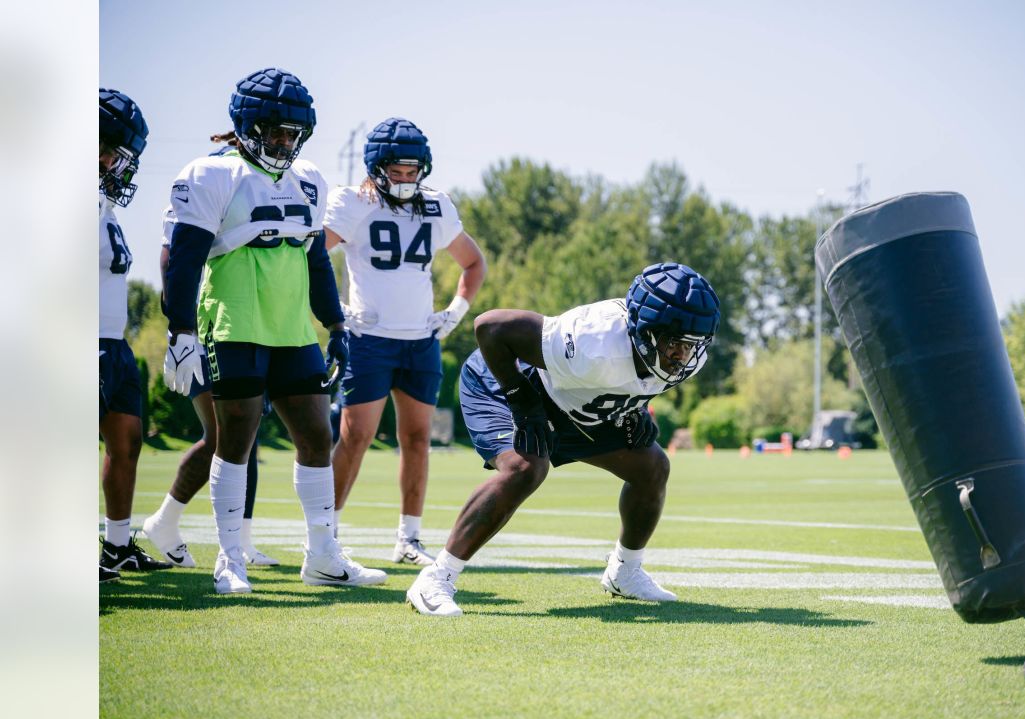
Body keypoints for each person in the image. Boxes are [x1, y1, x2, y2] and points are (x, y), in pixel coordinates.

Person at [162, 67, 385, 594]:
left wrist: (335, 324)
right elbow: (184, 261)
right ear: (247, 126)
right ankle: (231, 558)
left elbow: (315, 261)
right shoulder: (211, 174)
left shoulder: (308, 178)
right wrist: (181, 332)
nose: (285, 142)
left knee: (316, 434)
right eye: (275, 131)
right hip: (235, 320)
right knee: (236, 440)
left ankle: (323, 554)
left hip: (292, 329)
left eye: (293, 133)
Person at [407, 262, 720, 617]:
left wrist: (636, 411)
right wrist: (522, 400)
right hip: (508, 382)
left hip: (576, 402)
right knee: (526, 467)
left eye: (691, 345)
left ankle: (625, 572)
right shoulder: (591, 339)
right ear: (645, 331)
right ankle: (436, 578)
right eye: (674, 343)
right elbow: (490, 327)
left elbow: (636, 379)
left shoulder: (690, 357)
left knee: (652, 467)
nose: (683, 355)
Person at [324, 118, 486, 564]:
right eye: (396, 171)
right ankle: (325, 535)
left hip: (419, 340)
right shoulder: (354, 203)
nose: (405, 179)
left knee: (417, 440)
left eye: (413, 171)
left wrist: (455, 312)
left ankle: (408, 539)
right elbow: (312, 256)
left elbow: (473, 263)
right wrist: (333, 311)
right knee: (355, 437)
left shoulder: (435, 206)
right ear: (377, 168)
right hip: (369, 338)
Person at [143, 188, 277, 569]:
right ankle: (166, 521)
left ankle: (242, 541)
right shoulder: (206, 188)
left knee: (244, 434)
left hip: (245, 323)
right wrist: (180, 329)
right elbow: (172, 257)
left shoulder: (255, 185)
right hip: (208, 326)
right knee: (224, 434)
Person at [98, 88, 174, 583]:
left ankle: (117, 547)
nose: (122, 167)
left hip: (114, 343)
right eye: (118, 155)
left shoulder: (101, 201)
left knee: (127, 442)